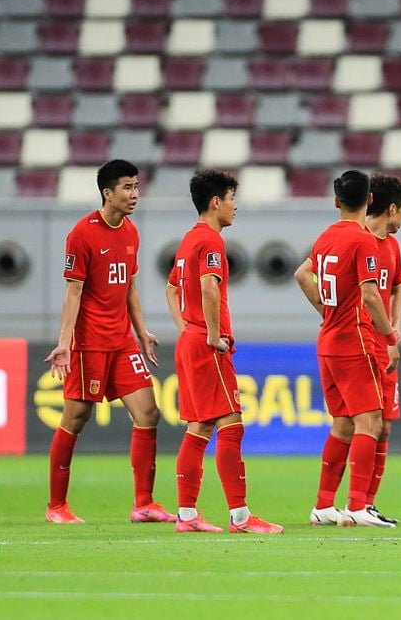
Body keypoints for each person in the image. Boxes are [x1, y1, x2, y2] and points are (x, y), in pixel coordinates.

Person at [44, 159, 175, 525]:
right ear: (108, 192)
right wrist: (64, 343)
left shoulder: (131, 231)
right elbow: (73, 292)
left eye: (136, 186)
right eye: (127, 187)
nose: (135, 194)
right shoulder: (82, 234)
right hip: (89, 343)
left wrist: (141, 331)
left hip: (121, 342)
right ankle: (56, 506)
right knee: (77, 416)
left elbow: (129, 286)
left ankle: (144, 503)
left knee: (149, 413)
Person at [166, 169, 282, 534]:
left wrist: (186, 328)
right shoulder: (211, 241)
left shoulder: (188, 240)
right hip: (206, 344)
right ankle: (242, 517)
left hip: (190, 341)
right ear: (215, 202)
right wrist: (212, 335)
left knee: (199, 425)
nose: (235, 206)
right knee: (231, 423)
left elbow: (172, 290)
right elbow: (209, 289)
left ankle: (187, 516)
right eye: (232, 198)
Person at [295, 170, 400, 528]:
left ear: (337, 200)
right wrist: (390, 338)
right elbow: (371, 294)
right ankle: (357, 506)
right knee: (370, 421)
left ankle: (324, 505)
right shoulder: (363, 240)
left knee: (342, 424)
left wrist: (326, 309)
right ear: (370, 200)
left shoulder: (325, 237)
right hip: (355, 342)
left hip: (327, 341)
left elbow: (301, 274)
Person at [361, 173, 401, 522]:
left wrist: (395, 327)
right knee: (359, 423)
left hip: (385, 343)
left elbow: (396, 286)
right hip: (360, 343)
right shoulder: (357, 240)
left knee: (385, 425)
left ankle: (367, 502)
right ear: (392, 208)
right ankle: (342, 503)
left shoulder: (392, 246)